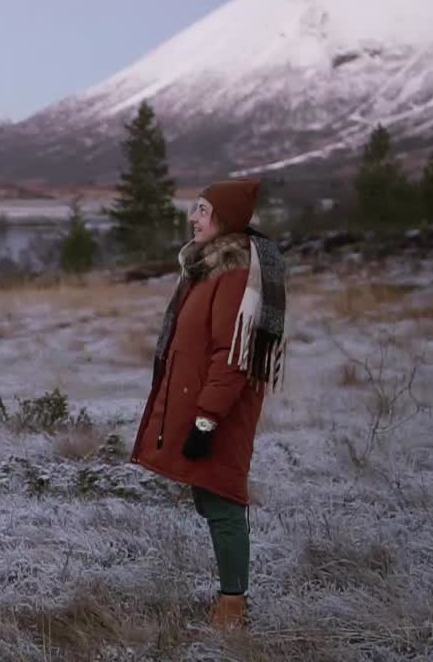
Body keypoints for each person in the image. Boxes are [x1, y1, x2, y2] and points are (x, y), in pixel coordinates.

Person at [128, 178, 287, 629]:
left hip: (217, 412)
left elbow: (231, 357)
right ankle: (230, 600)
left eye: (202, 210)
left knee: (223, 500)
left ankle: (232, 607)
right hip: (201, 406)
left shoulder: (234, 273)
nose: (193, 218)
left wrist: (206, 420)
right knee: (213, 499)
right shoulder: (207, 268)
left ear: (225, 219)